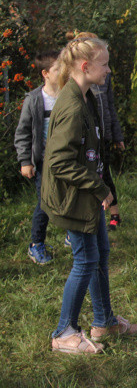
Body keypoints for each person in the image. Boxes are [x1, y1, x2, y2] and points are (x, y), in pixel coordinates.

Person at [41, 36, 137, 354]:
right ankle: (63, 332)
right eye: (105, 64)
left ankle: (105, 321)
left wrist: (103, 188)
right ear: (85, 67)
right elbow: (58, 161)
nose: (109, 70)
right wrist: (100, 188)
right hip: (75, 199)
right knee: (85, 261)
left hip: (88, 196)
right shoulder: (72, 106)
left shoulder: (83, 96)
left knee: (99, 257)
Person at [70, 32, 126, 231]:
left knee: (106, 175)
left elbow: (110, 107)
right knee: (94, 176)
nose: (108, 70)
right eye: (103, 64)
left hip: (105, 135)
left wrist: (117, 135)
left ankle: (114, 214)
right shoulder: (75, 95)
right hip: (88, 141)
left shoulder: (104, 80)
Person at [14, 50, 61, 264]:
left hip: (67, 159)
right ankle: (37, 244)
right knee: (45, 202)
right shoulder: (34, 100)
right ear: (46, 73)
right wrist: (25, 161)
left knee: (72, 197)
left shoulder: (69, 95)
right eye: (58, 69)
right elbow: (23, 133)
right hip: (44, 161)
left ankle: (74, 235)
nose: (64, 72)